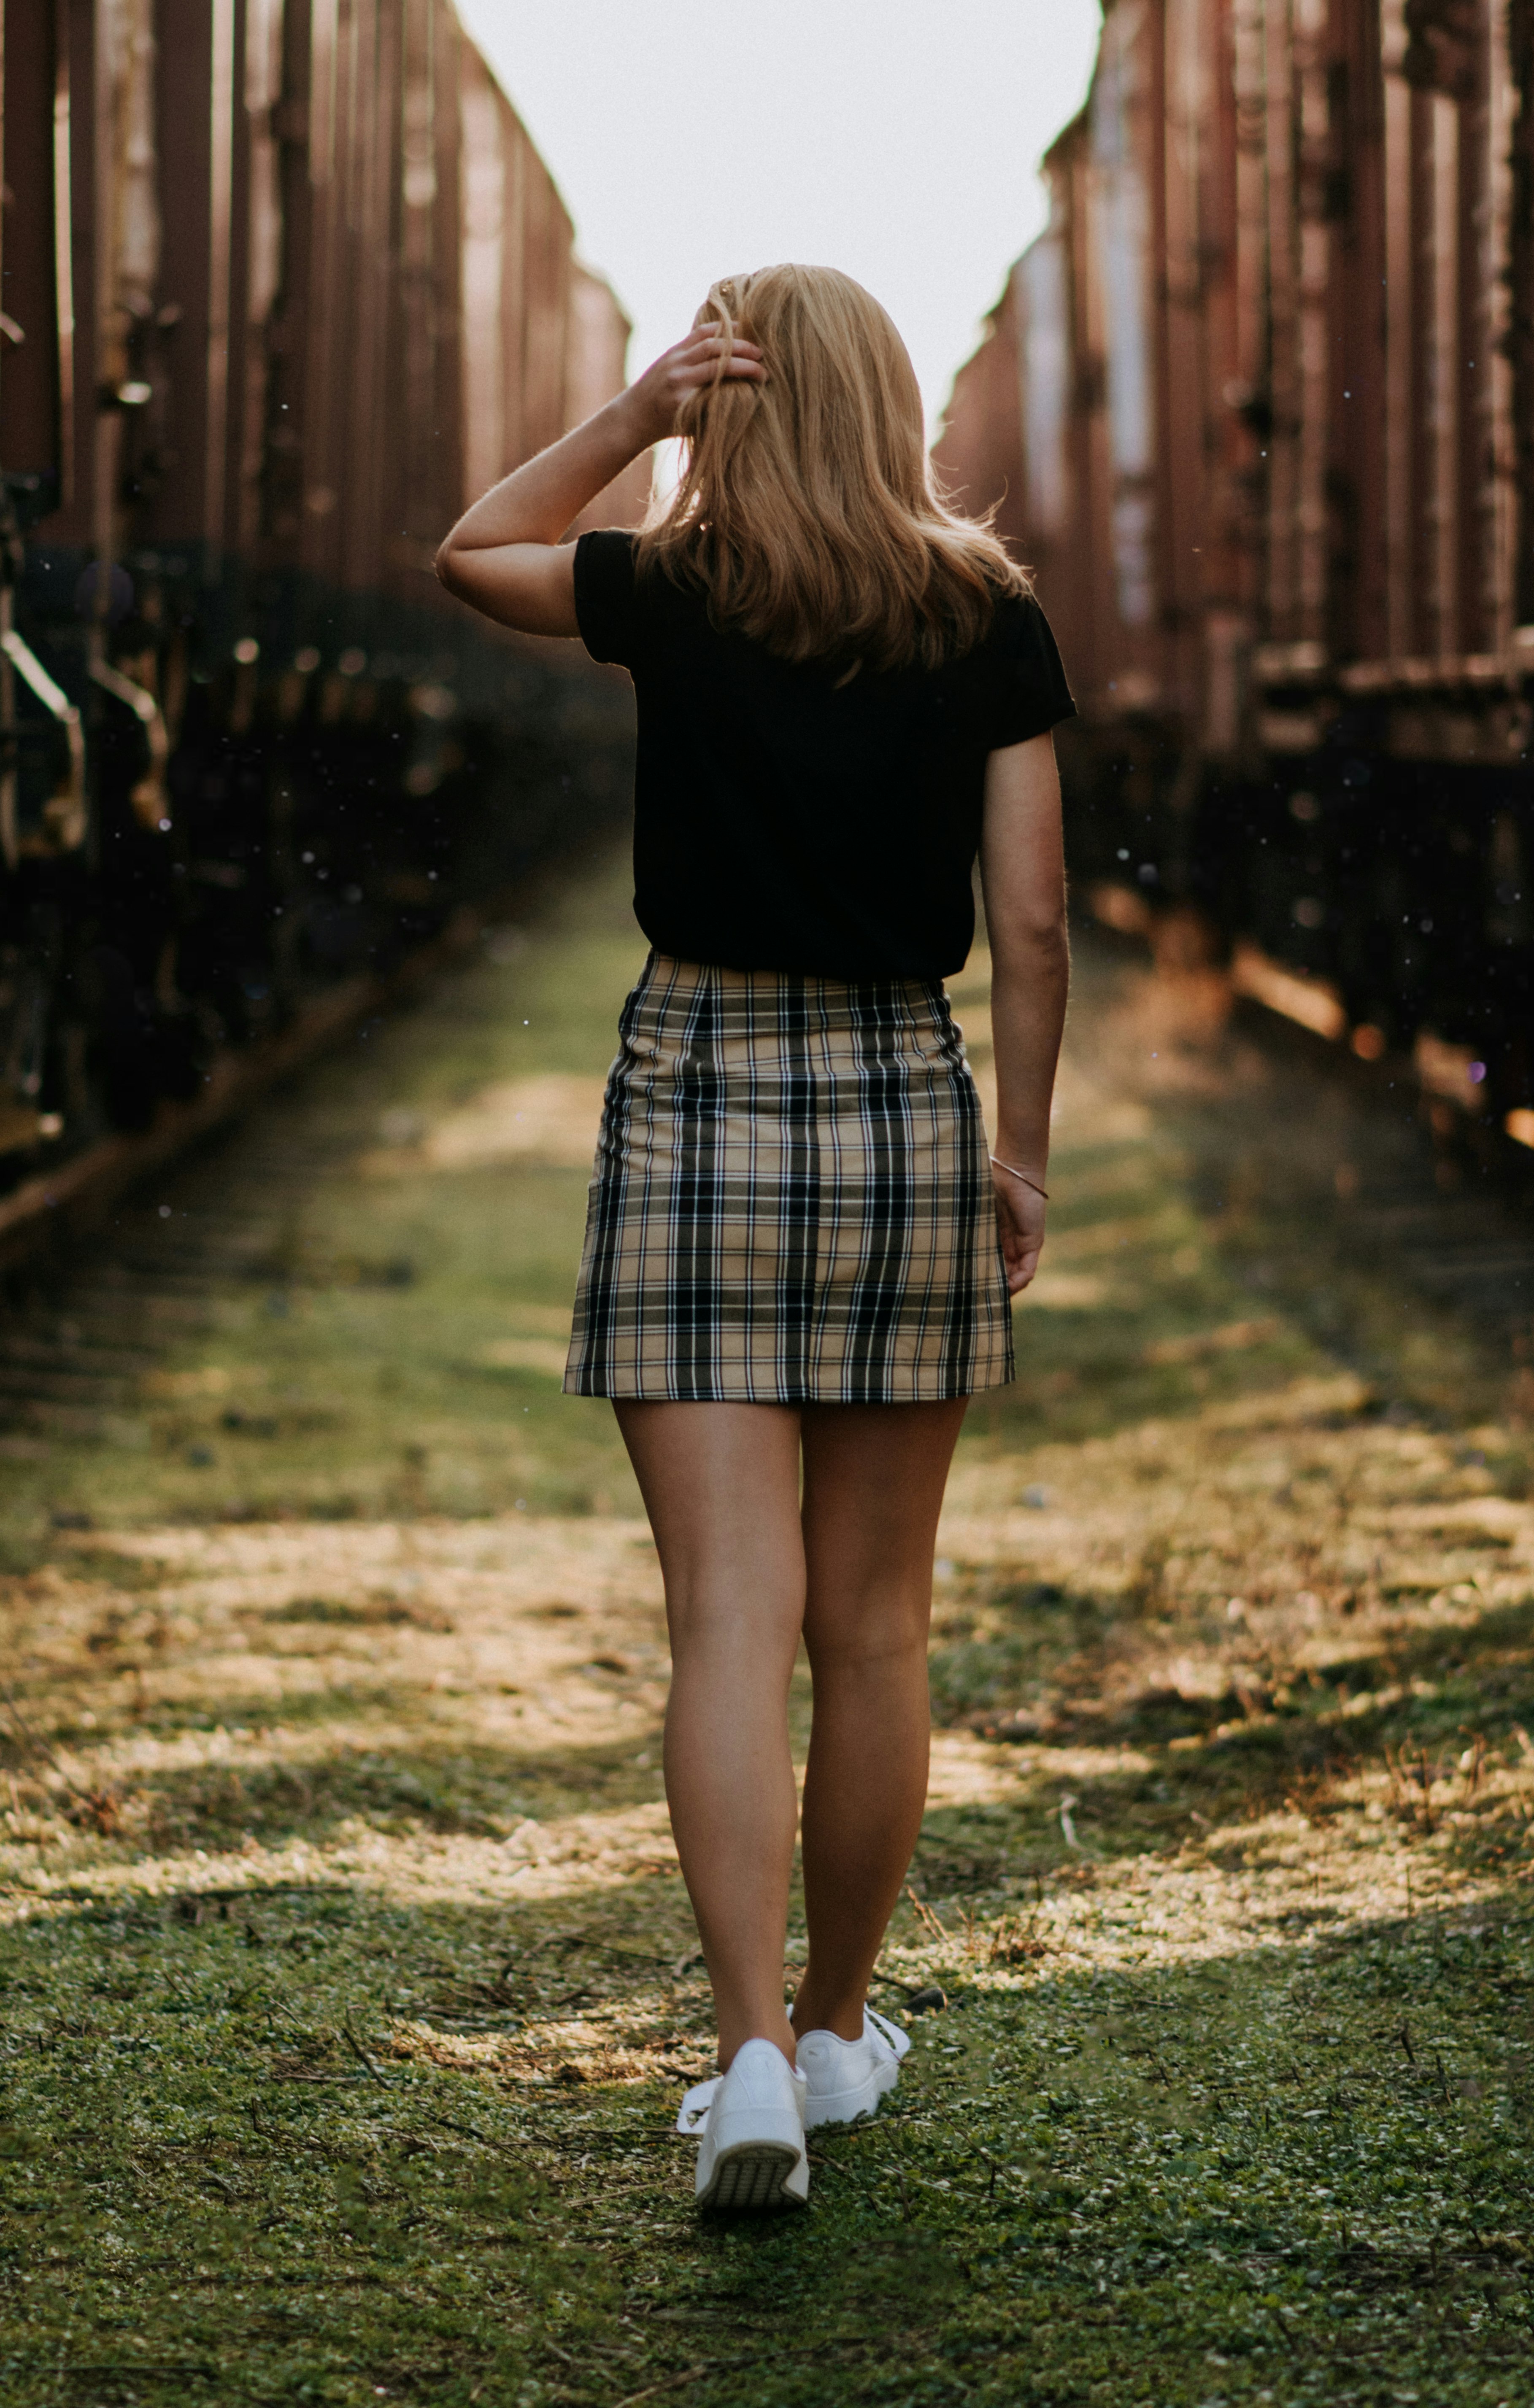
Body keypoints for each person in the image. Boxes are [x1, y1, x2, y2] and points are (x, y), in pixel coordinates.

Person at [436, 264, 1072, 2212]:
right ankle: (834, 2027)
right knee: (875, 1623)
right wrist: (1020, 1152)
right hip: (900, 1104)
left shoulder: (671, 590)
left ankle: (742, 2068)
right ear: (891, 403)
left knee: (730, 1615)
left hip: (702, 1084)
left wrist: (635, 421)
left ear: (735, 406)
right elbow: (1032, 919)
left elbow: (473, 550)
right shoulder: (984, 612)